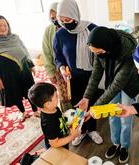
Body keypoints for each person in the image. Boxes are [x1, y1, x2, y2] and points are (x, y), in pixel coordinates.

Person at [77, 26, 139, 164]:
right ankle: (116, 144)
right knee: (112, 116)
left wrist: (95, 108)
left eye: (100, 52)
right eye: (95, 53)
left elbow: (117, 85)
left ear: (108, 48)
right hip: (112, 82)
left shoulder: (128, 51)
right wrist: (86, 97)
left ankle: (124, 146)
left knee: (125, 118)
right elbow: (96, 74)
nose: (98, 55)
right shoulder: (99, 47)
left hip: (129, 84)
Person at [53, 0, 103, 146]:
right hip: (72, 78)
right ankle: (79, 132)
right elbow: (58, 57)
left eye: (67, 19)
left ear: (75, 15)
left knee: (92, 104)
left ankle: (92, 130)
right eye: (61, 20)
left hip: (92, 77)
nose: (64, 23)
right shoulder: (60, 34)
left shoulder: (92, 29)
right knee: (77, 107)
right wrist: (62, 68)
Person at [0, 15, 39, 122]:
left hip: (24, 71)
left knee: (30, 90)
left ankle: (35, 110)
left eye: (5, 25)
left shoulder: (15, 38)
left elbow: (24, 51)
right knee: (15, 93)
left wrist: (31, 65)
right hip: (7, 75)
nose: (3, 27)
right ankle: (23, 112)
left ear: (8, 26)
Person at [28, 82, 80, 149]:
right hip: (56, 149)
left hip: (63, 140)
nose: (58, 97)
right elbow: (55, 144)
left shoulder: (54, 108)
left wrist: (69, 126)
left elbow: (60, 120)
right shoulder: (48, 123)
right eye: (56, 96)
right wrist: (73, 136)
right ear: (48, 104)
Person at [42, 2, 71, 112]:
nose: (55, 20)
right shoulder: (49, 30)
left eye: (57, 17)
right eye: (52, 18)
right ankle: (68, 120)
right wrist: (50, 72)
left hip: (73, 69)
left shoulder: (70, 27)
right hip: (59, 70)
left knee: (76, 94)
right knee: (64, 97)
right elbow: (46, 52)